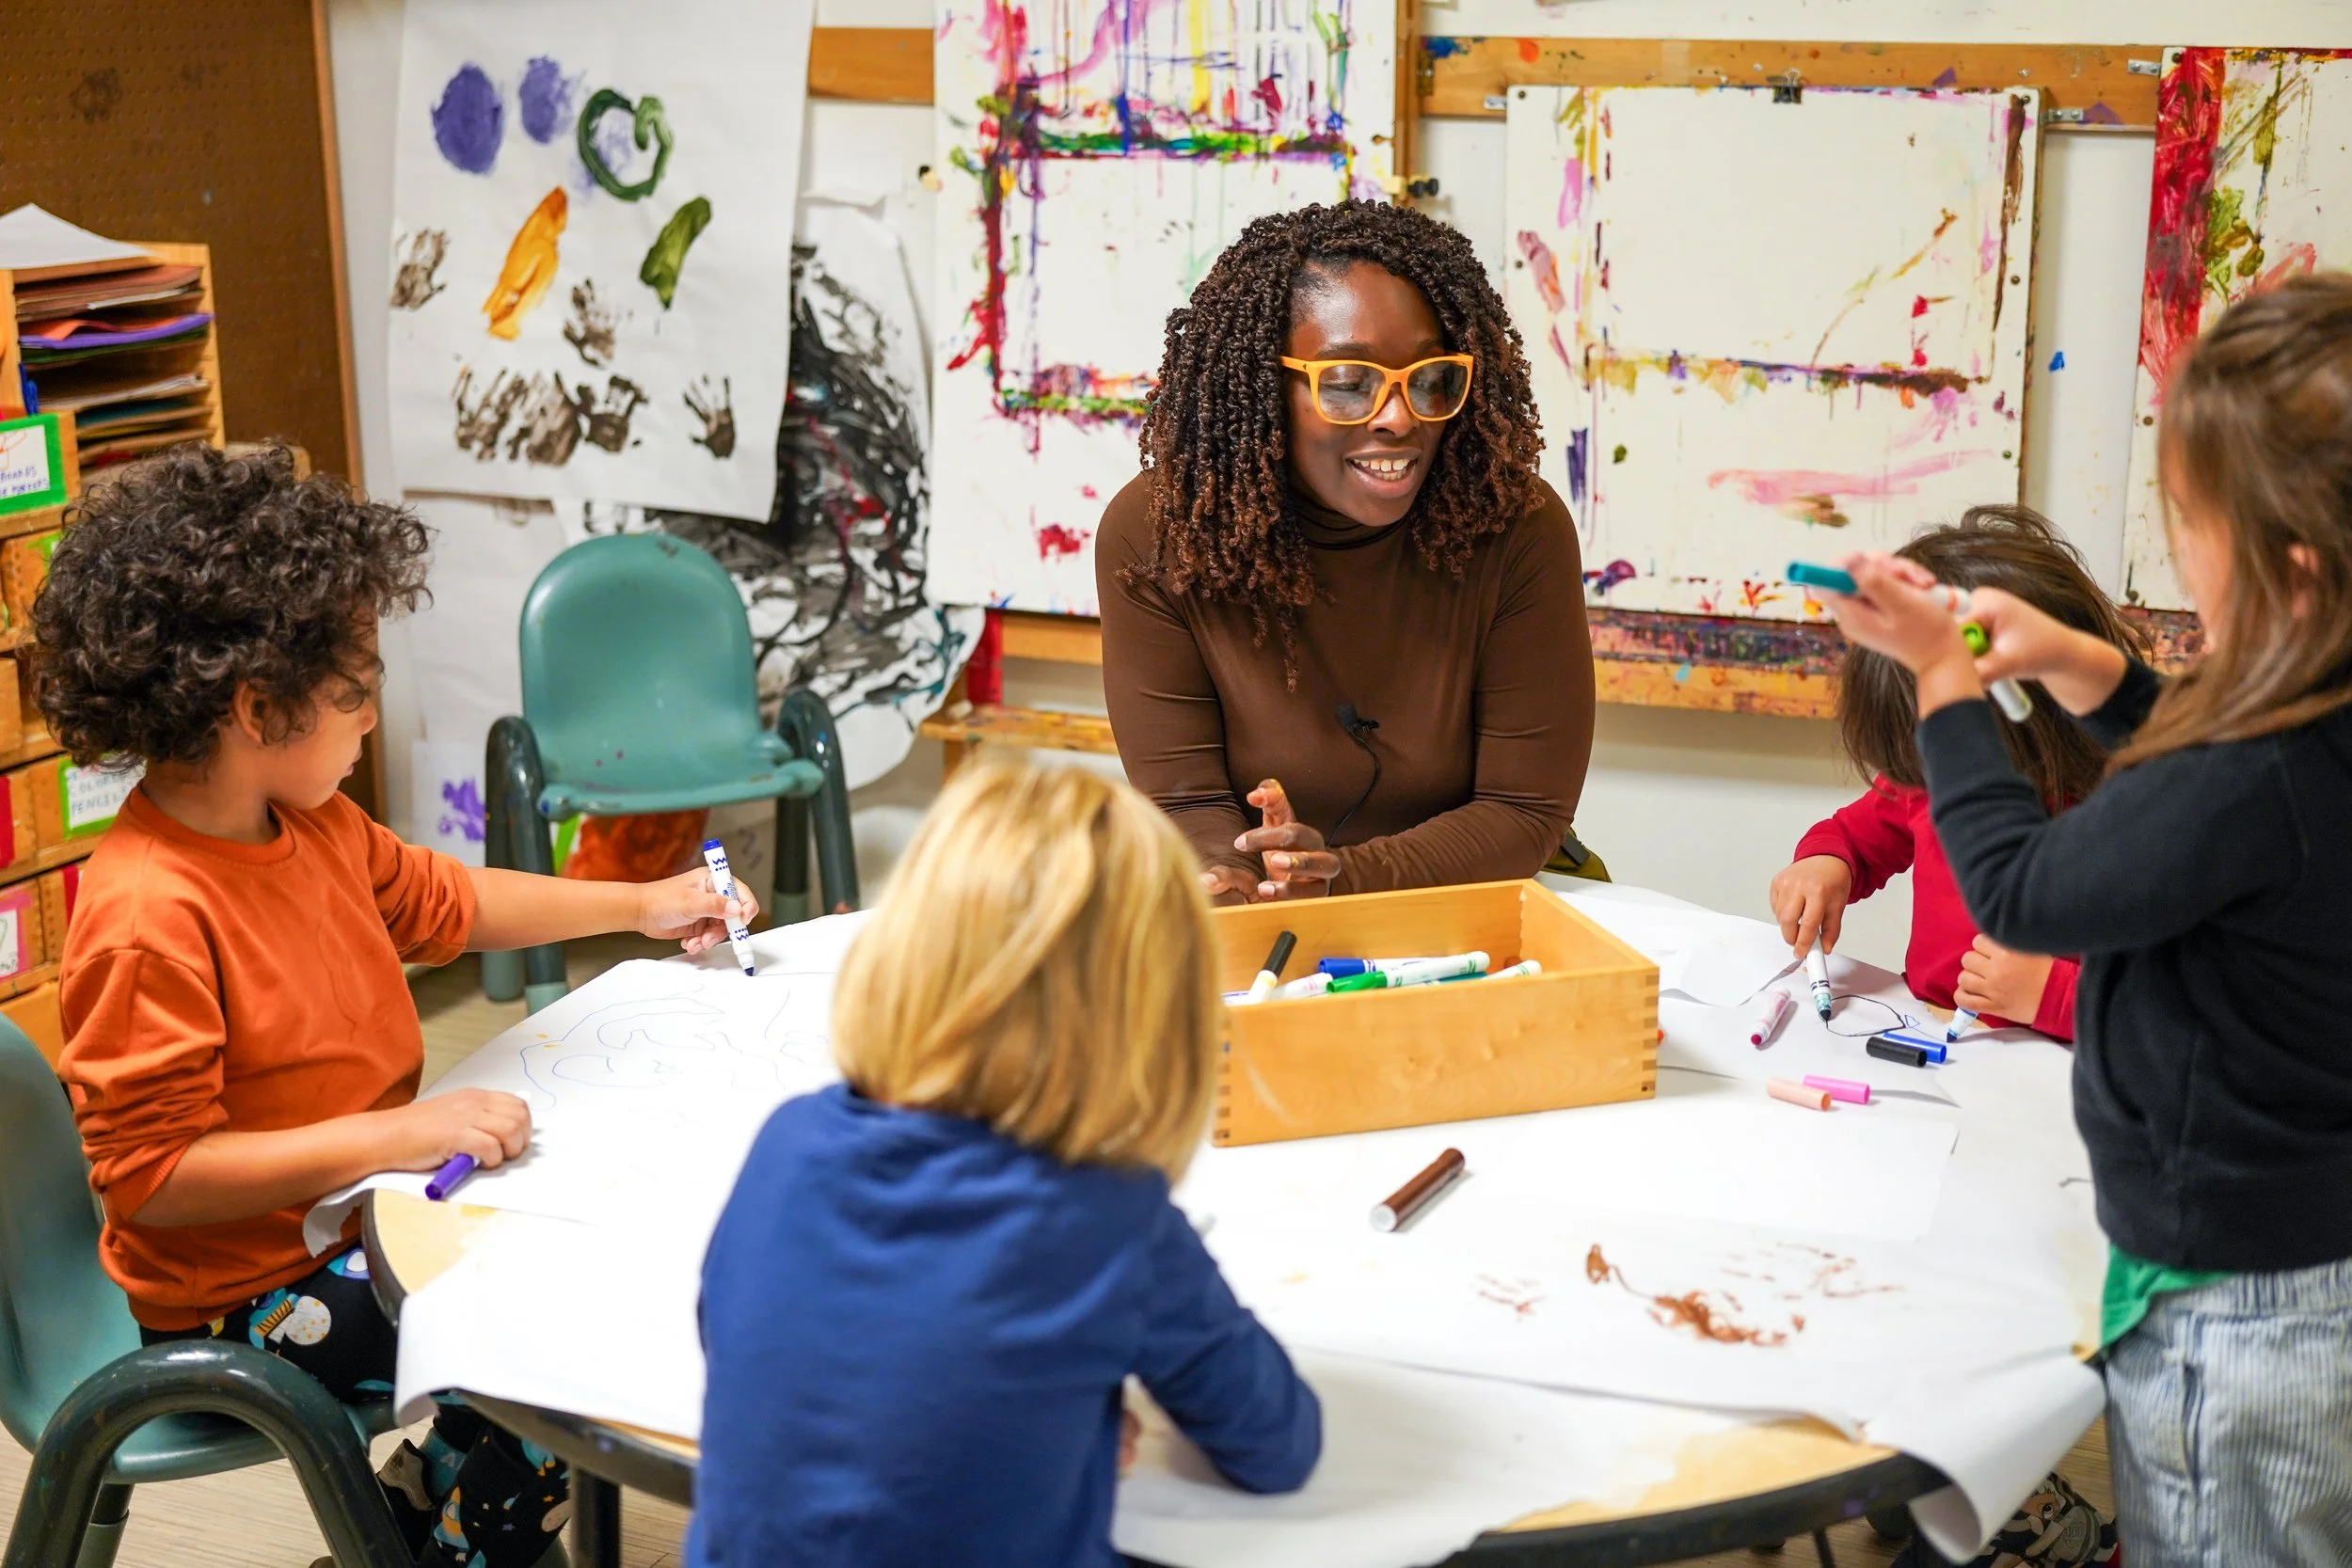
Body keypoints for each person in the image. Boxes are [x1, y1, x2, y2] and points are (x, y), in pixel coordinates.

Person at [39, 444, 758, 1568]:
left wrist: (641, 899)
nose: (374, 714)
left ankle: (418, 1525)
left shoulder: (312, 824)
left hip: (355, 1215)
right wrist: (403, 1132)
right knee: (552, 1341)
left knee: (573, 1256)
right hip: (243, 1305)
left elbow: (450, 899)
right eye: (357, 688)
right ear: (255, 706)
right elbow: (149, 1176)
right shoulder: (147, 911)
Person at [1817, 275, 2352, 1567]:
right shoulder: (2307, 707)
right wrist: (2083, 665)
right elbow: (2187, 741)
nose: (2177, 544)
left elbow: (2024, 888)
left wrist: (1943, 677)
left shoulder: (2248, 770)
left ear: (2279, 560)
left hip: (2240, 1309)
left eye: (2185, 517)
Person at [691, 761, 1321, 1567]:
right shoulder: (1109, 1219)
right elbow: (1279, 1445)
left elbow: (772, 1361)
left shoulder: (790, 1139)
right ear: (1150, 1018)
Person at [1097, 199, 1597, 905]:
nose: (1398, 417)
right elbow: (1185, 801)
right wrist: (1230, 876)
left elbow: (1524, 811)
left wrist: (1339, 878)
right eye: (1347, 383)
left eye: (1429, 380)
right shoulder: (1156, 534)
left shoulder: (1518, 528)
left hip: (1472, 907)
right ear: (1267, 388)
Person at [1771, 507, 2148, 1043]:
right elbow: (1854, 836)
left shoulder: (2136, 812)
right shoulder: (1931, 778)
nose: (1936, 778)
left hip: (2061, 1072)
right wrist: (1825, 865)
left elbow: (2173, 1010)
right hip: (1936, 1037)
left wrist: (2054, 994)